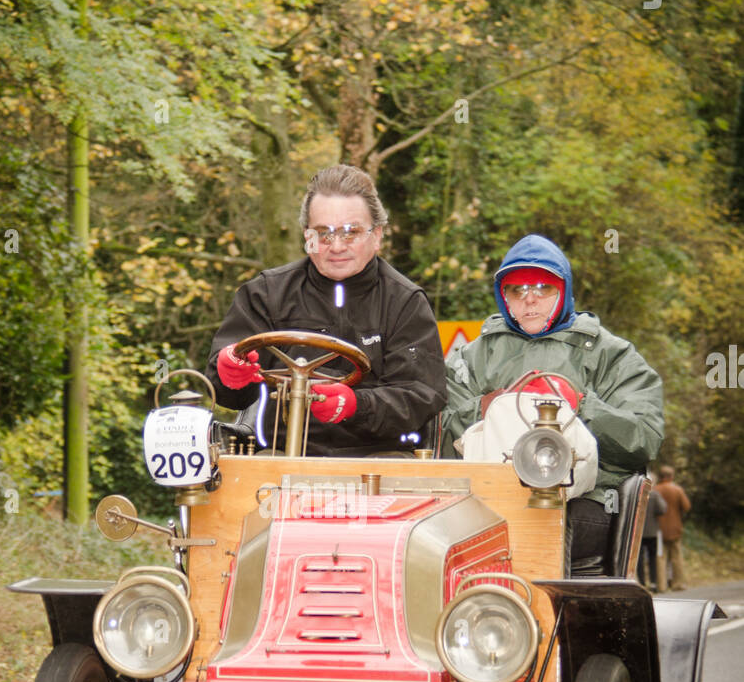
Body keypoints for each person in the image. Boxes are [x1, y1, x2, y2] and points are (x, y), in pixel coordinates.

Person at [443, 234, 664, 569]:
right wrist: (486, 409)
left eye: (542, 288)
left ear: (564, 290)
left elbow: (644, 439)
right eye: (517, 290)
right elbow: (437, 432)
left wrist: (582, 406)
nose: (529, 300)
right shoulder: (472, 356)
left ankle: (545, 614)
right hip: (486, 496)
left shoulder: (612, 354)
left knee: (544, 519)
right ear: (504, 296)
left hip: (584, 499)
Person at [206, 164, 446, 456]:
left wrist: (357, 406)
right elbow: (224, 389)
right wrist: (229, 371)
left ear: (377, 235)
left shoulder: (405, 302)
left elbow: (422, 395)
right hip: (280, 457)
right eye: (324, 234)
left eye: (350, 233)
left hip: (381, 458)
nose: (336, 246)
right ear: (307, 237)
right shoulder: (265, 293)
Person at [657, 465, 691, 590]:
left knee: (660, 558)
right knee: (676, 557)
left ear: (661, 477)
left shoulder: (655, 490)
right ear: (671, 477)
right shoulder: (677, 490)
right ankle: (679, 584)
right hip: (675, 528)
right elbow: (686, 507)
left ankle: (661, 585)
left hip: (659, 529)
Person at [639, 473, 667, 592]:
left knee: (639, 559)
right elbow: (663, 509)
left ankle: (641, 583)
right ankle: (654, 583)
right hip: (652, 532)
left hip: (639, 532)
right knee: (652, 558)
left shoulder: (637, 494)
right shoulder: (655, 495)